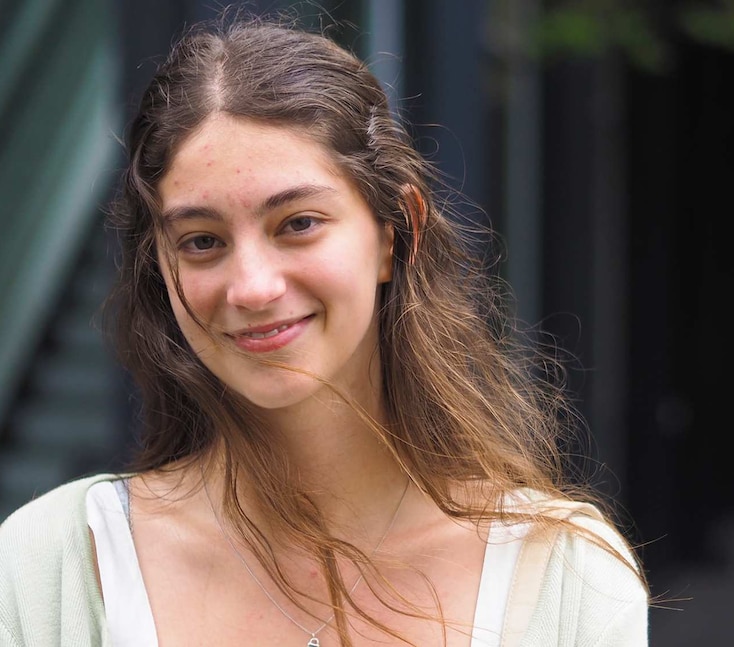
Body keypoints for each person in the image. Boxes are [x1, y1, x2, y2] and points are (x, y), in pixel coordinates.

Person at [0, 16, 648, 647]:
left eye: (298, 223)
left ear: (396, 232)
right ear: (162, 270)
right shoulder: (49, 567)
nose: (252, 286)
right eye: (202, 241)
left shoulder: (567, 579)